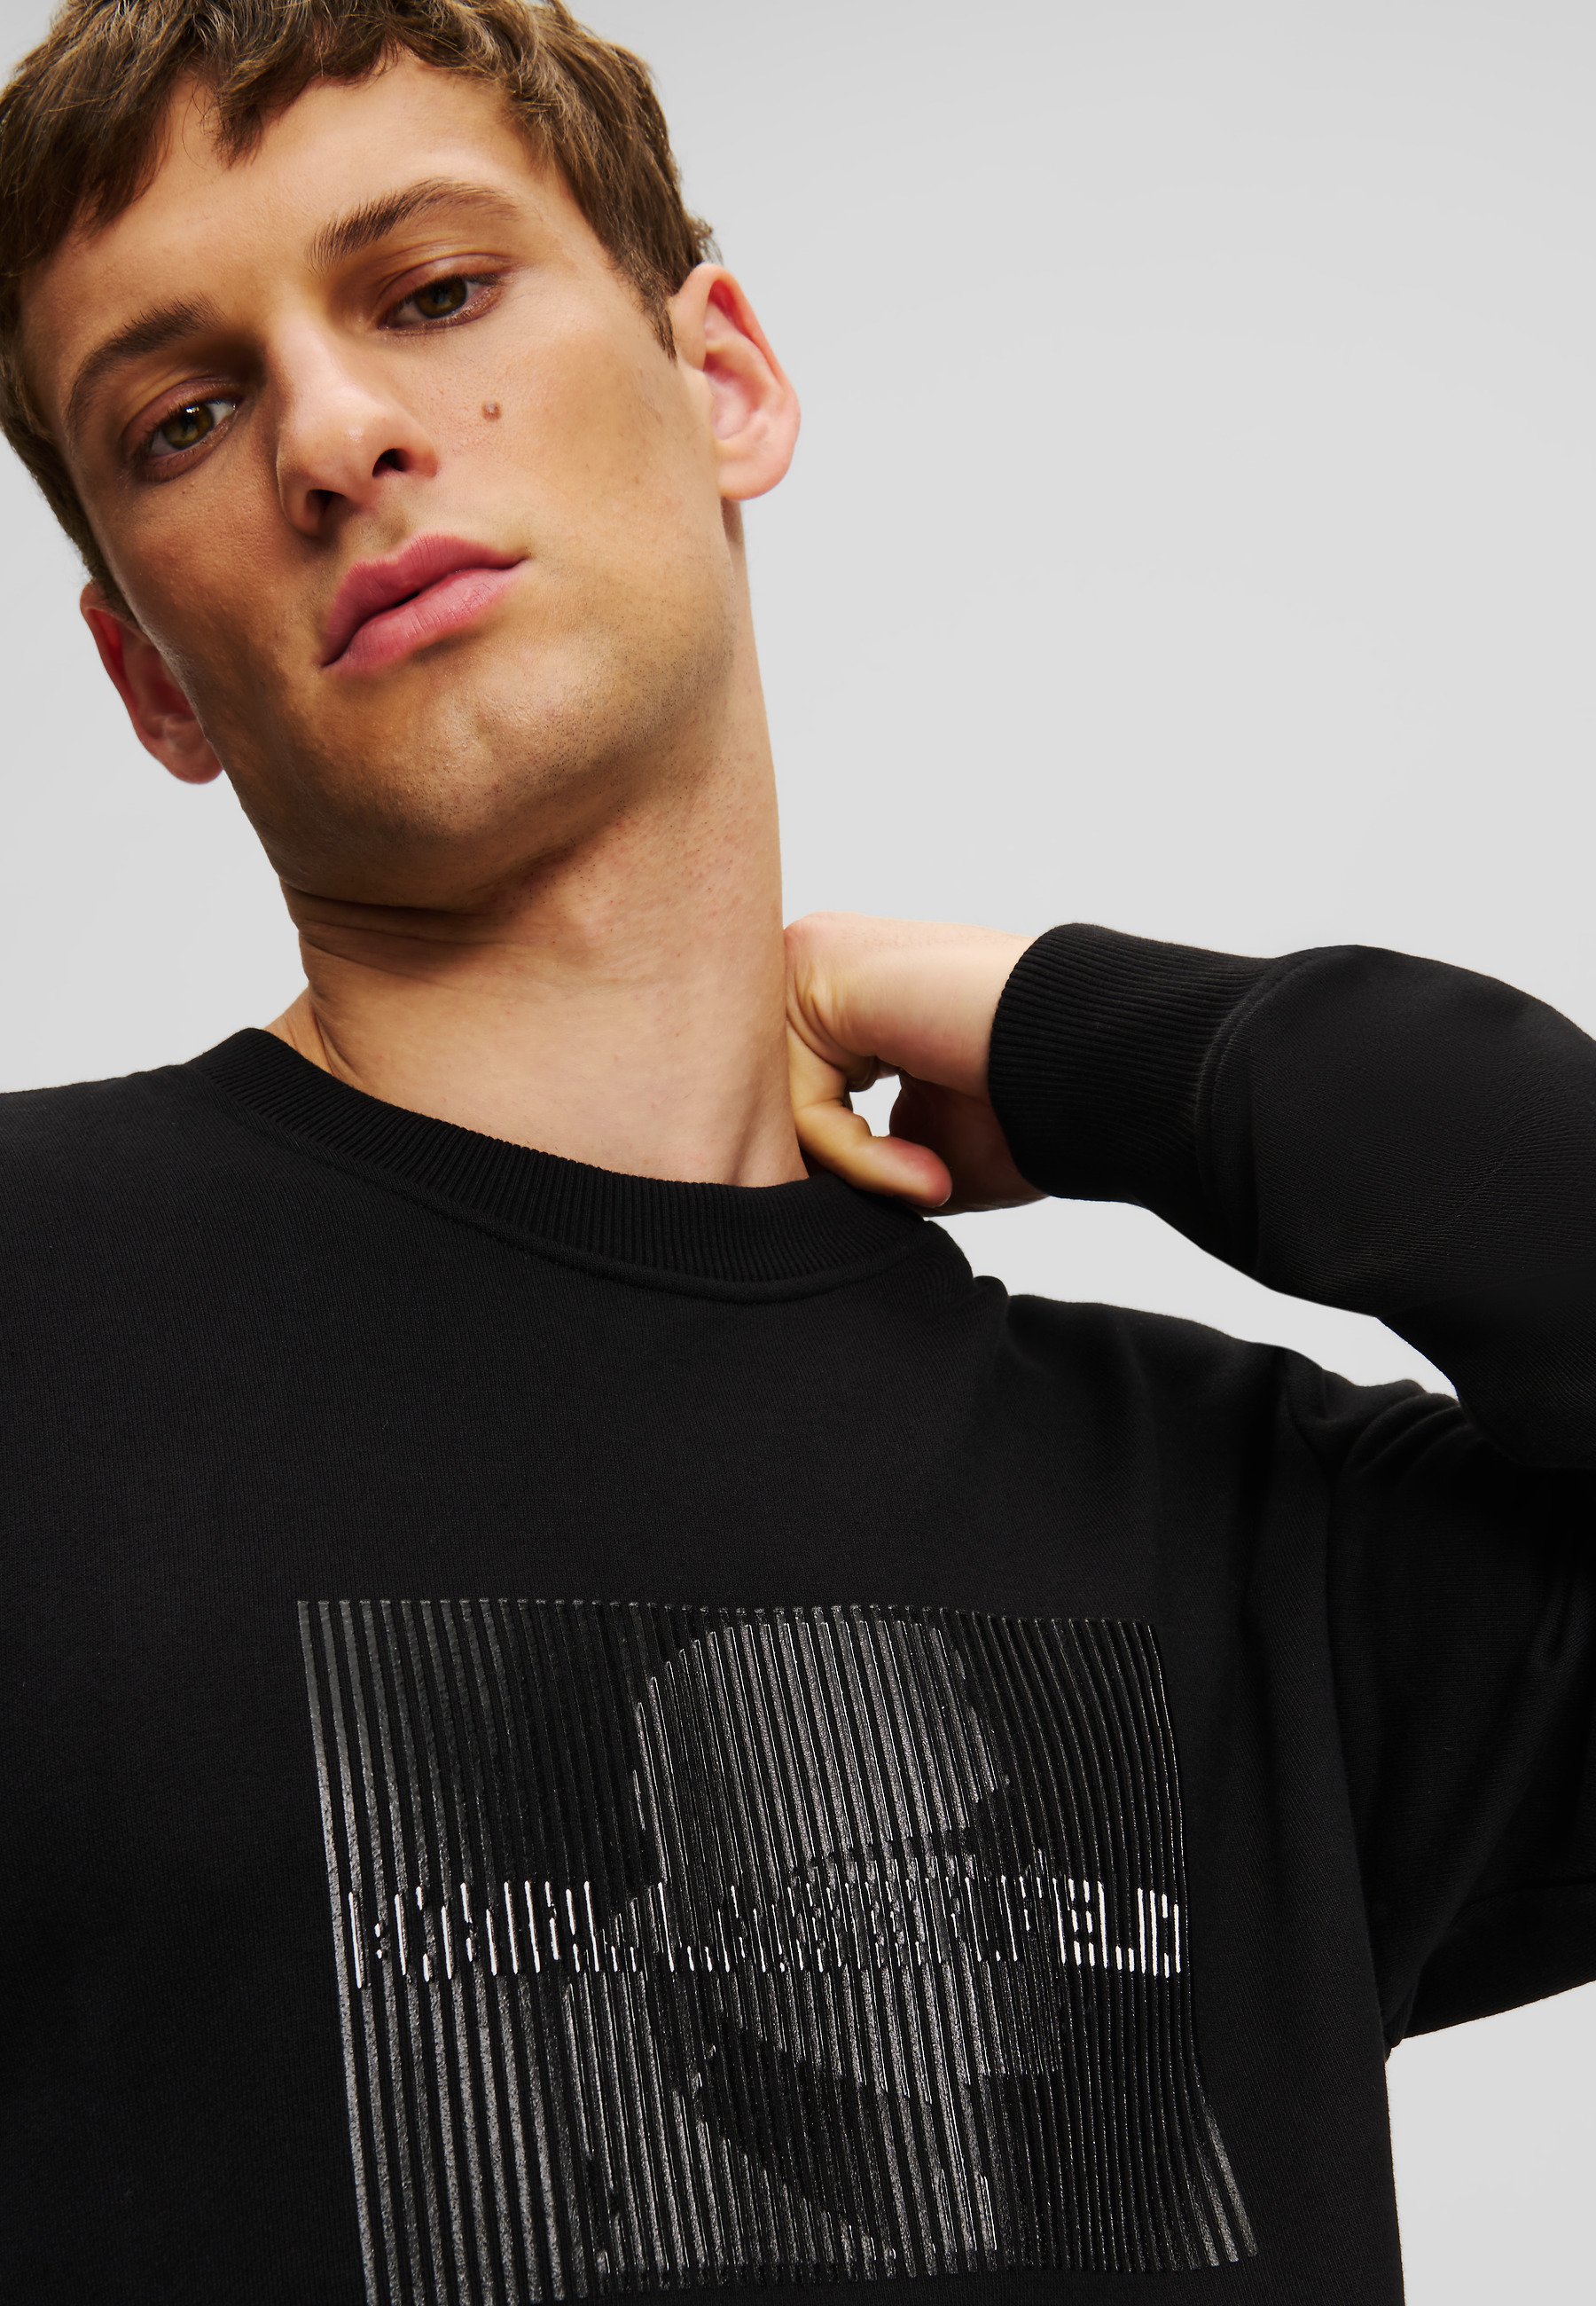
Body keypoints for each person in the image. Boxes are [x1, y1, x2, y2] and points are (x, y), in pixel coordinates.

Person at [0, 2, 1590, 2300]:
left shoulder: (1255, 1553)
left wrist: (1124, 1038)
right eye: (182, 416)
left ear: (723, 377)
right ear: (150, 672)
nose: (335, 436)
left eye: (432, 292)